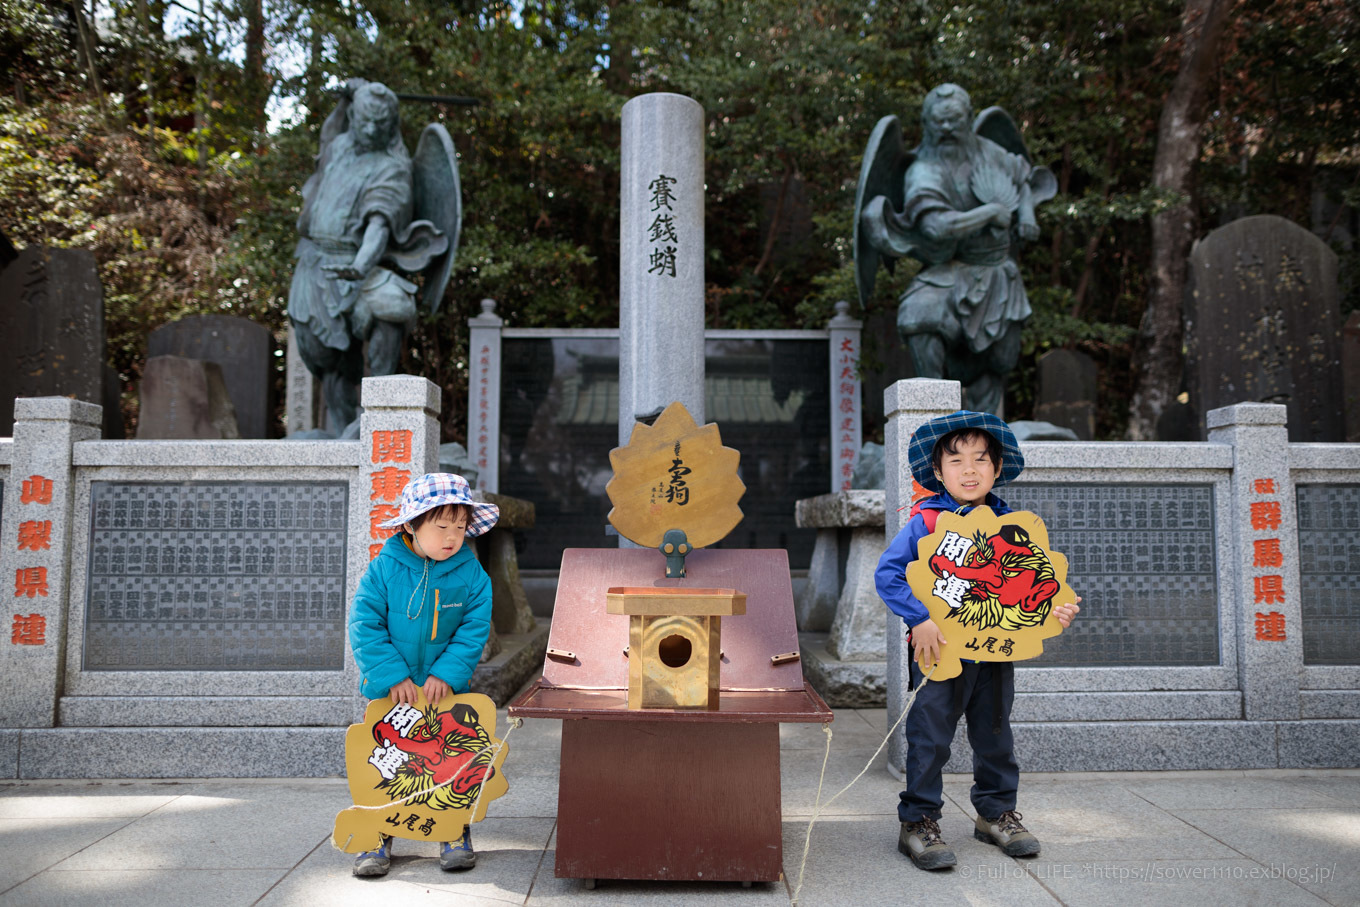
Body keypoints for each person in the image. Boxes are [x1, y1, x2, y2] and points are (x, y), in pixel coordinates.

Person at [875, 411, 1080, 870]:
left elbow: (1034, 583)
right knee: (930, 735)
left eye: (981, 460)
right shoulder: (927, 524)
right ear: (938, 471)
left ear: (997, 466)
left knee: (995, 732)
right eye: (956, 461)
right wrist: (919, 617)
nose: (970, 470)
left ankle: (995, 813)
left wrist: (1054, 609)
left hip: (994, 648)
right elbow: (888, 574)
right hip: (938, 651)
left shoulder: (1012, 524)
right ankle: (918, 822)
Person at [348, 473, 499, 877]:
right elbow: (364, 624)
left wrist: (448, 674)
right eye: (441, 526)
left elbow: (473, 629)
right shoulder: (383, 570)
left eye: (461, 527)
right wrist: (391, 675)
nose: (453, 537)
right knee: (386, 763)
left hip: (444, 691)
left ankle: (453, 831)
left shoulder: (472, 575)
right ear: (411, 525)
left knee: (450, 761)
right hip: (391, 693)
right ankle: (376, 835)